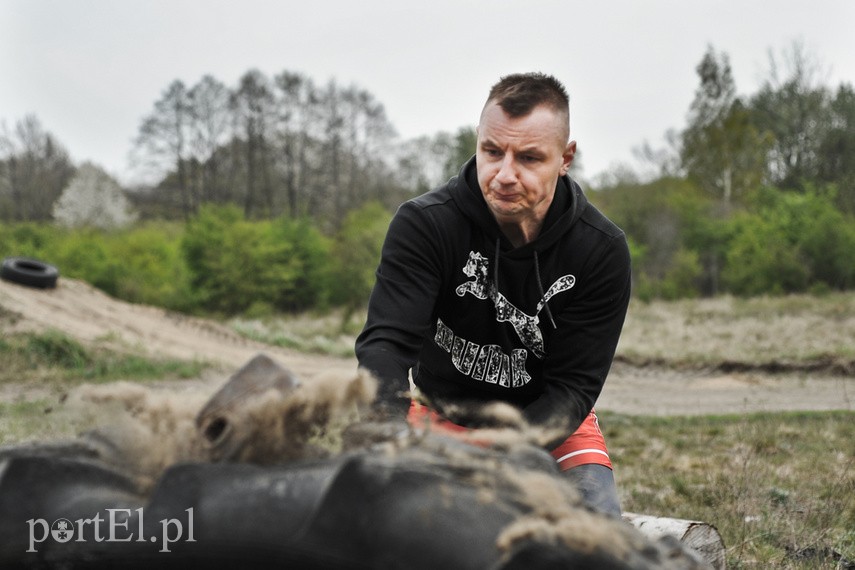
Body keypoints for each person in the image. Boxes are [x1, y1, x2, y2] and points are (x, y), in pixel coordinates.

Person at [355, 72, 631, 516]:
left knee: (594, 537)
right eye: (491, 151)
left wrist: (504, 454)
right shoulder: (425, 225)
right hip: (438, 413)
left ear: (565, 158)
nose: (504, 175)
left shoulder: (600, 250)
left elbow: (574, 389)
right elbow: (385, 346)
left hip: (550, 427)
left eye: (528, 158)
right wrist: (386, 437)